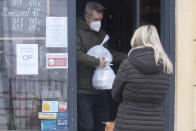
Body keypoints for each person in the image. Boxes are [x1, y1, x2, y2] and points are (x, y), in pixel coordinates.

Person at [112, 25, 173, 131]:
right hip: (155, 125)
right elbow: (163, 95)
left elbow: (115, 94)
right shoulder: (166, 66)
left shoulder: (127, 64)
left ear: (136, 39)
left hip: (127, 123)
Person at [77, 2, 125, 131]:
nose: (99, 22)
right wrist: (96, 62)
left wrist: (127, 56)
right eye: (96, 19)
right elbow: (76, 55)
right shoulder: (77, 32)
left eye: (101, 19)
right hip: (83, 89)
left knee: (102, 125)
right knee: (87, 126)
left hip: (101, 89)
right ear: (87, 17)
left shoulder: (102, 34)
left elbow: (109, 55)